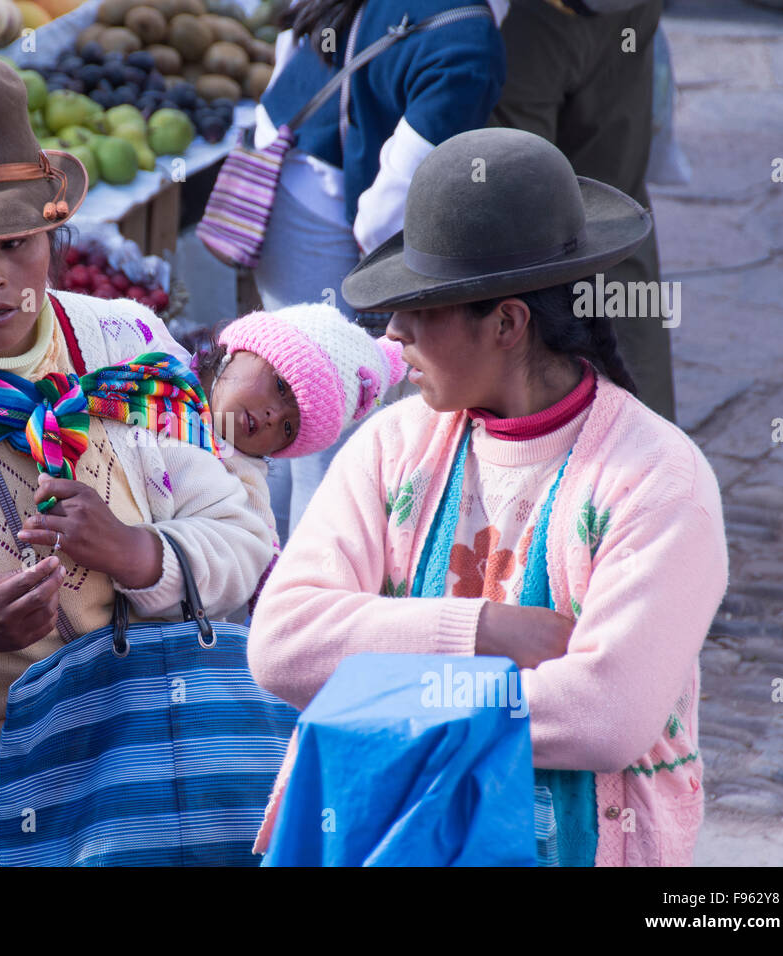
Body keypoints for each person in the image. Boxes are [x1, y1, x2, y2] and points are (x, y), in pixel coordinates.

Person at [0, 55, 273, 867]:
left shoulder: (125, 350)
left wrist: (141, 556)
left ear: (54, 236)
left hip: (141, 759)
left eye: (16, 243)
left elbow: (245, 539)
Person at [248, 128, 728, 866]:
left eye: (423, 310)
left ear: (507, 322)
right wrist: (483, 630)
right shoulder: (392, 447)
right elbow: (282, 644)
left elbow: (605, 715)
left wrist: (380, 684)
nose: (395, 332)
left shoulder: (658, 478)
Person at [252, 0, 507, 538]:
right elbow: (383, 220)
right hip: (324, 225)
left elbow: (289, 45)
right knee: (330, 450)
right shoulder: (468, 41)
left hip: (286, 188)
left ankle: (245, 601)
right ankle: (307, 612)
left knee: (283, 435)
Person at [491, 0, 677, 421]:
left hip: (534, 19)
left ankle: (564, 440)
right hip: (620, 9)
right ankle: (646, 440)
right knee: (615, 212)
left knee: (520, 213)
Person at [187, 303, 407, 609]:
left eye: (289, 428)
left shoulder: (243, 491)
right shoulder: (152, 364)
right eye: (280, 385)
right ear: (241, 349)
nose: (273, 416)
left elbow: (267, 578)